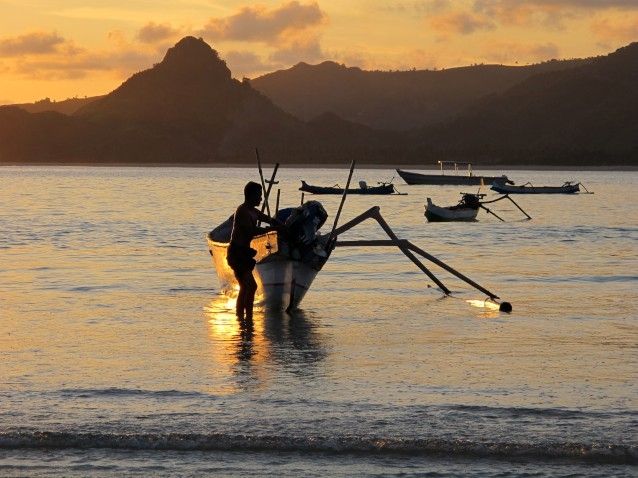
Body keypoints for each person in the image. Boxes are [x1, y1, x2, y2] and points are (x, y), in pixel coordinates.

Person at [227, 181, 282, 321]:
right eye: (259, 195)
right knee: (250, 286)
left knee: (246, 287)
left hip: (243, 253)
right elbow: (251, 231)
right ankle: (245, 319)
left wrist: (279, 224)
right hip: (237, 254)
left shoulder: (253, 211)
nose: (261, 199)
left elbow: (266, 218)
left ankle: (244, 318)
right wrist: (270, 230)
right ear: (251, 196)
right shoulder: (243, 211)